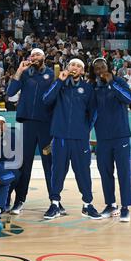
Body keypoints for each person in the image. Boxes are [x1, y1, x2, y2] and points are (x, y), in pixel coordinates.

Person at [42, 58, 100, 220]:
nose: (74, 68)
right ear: (67, 68)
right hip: (60, 136)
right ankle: (54, 204)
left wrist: (84, 130)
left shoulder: (88, 88)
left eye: (78, 66)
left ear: (82, 71)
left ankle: (87, 205)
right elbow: (46, 100)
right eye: (72, 65)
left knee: (83, 171)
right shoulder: (59, 84)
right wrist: (60, 81)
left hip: (80, 138)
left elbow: (93, 113)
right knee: (58, 171)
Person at [6, 48, 59, 215]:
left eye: (38, 54)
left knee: (49, 164)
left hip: (46, 125)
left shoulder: (52, 74)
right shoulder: (25, 73)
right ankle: (19, 200)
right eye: (32, 55)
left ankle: (55, 201)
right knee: (23, 164)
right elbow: (10, 93)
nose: (35, 57)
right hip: (28, 124)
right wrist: (19, 71)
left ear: (44, 57)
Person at [89, 57, 131, 222]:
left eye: (102, 67)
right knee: (105, 173)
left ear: (108, 67)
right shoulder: (94, 88)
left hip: (121, 135)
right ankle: (110, 204)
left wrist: (112, 83)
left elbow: (128, 99)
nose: (100, 70)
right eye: (97, 68)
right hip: (102, 138)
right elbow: (91, 113)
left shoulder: (119, 82)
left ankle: (125, 208)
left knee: (124, 173)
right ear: (94, 72)